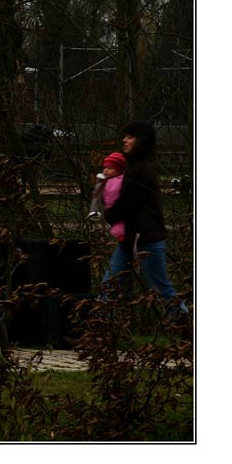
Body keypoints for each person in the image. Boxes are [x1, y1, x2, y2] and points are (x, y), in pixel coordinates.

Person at [100, 121, 189, 319]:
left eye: (130, 137)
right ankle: (98, 336)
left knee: (162, 289)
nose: (124, 140)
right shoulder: (136, 168)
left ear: (141, 142)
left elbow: (127, 203)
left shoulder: (141, 170)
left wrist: (109, 215)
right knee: (109, 286)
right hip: (130, 240)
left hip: (146, 240)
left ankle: (191, 330)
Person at [88, 151, 128, 242]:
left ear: (119, 170)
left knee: (121, 224)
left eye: (110, 168)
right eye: (105, 168)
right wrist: (94, 211)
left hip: (119, 210)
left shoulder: (122, 181)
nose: (105, 170)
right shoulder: (102, 183)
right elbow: (96, 198)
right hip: (108, 211)